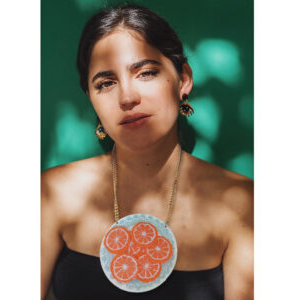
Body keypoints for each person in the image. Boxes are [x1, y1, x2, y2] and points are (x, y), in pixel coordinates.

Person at [41, 4, 253, 299]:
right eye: (106, 83)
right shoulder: (51, 194)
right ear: (91, 99)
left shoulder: (245, 205)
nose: (127, 97)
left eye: (146, 73)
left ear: (184, 79)